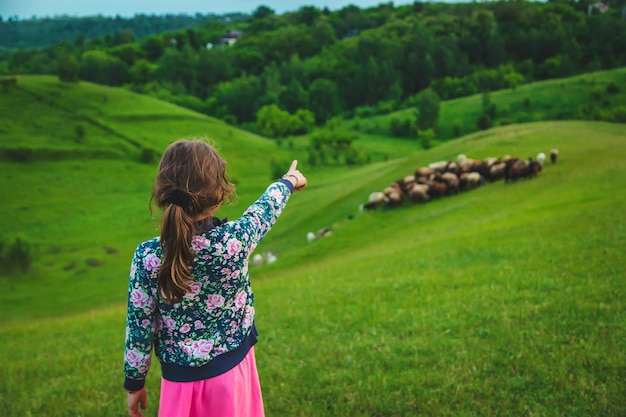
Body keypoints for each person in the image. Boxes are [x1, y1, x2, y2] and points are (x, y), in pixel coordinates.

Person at [123, 138, 307, 417]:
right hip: (233, 374)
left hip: (179, 383)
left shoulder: (147, 257)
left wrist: (134, 383)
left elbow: (139, 327)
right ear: (218, 194)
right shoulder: (234, 241)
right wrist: (288, 181)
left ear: (163, 191)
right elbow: (265, 209)